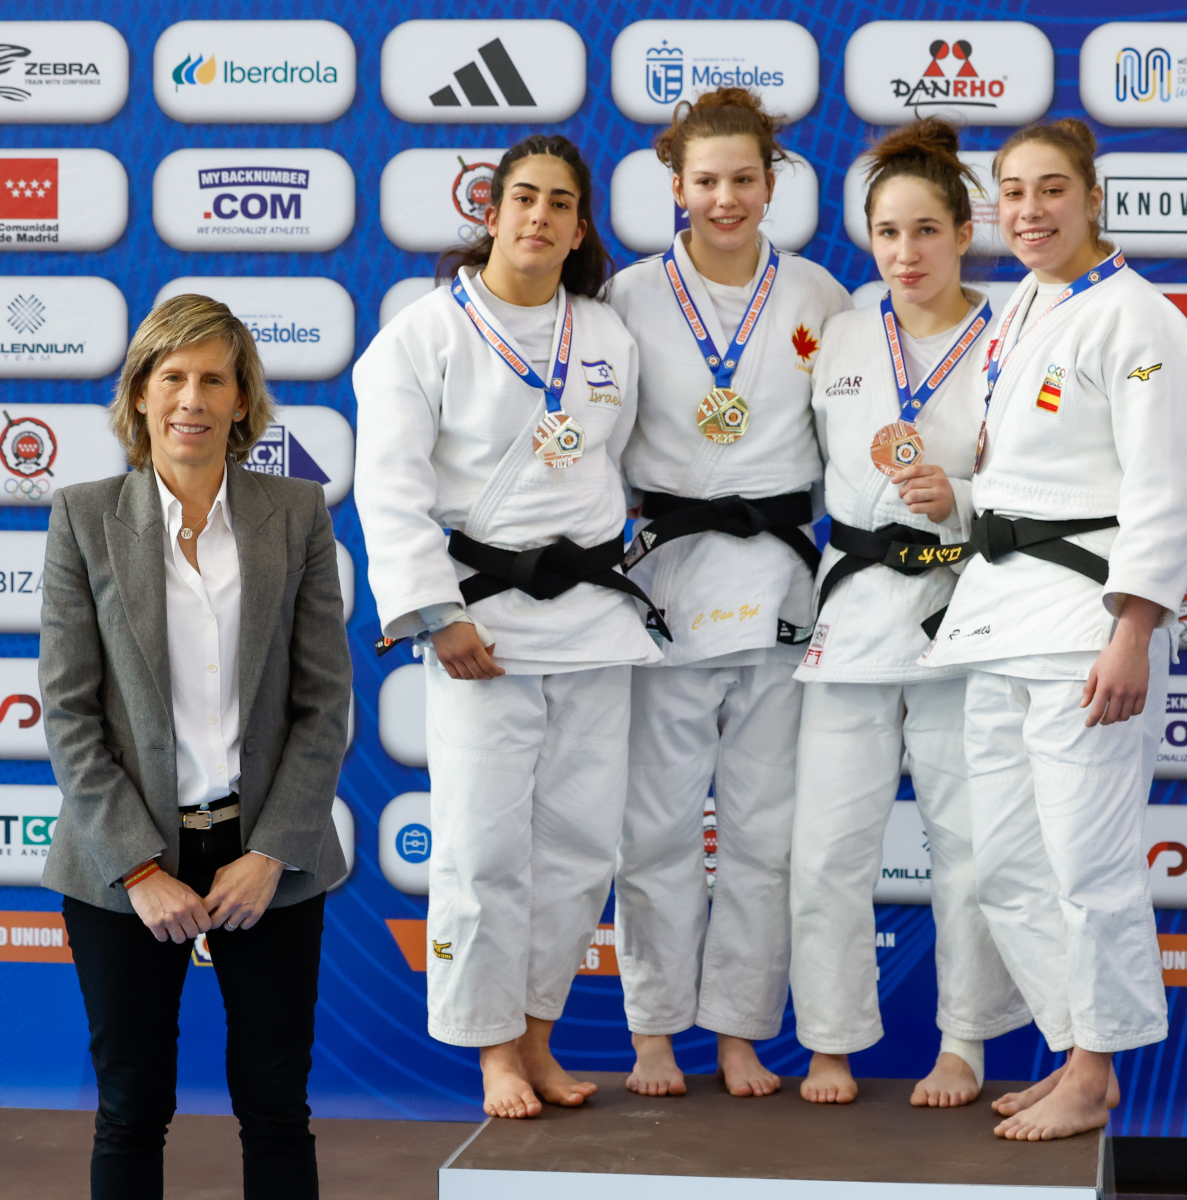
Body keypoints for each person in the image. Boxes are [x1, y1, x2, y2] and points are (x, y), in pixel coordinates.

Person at [353, 135, 659, 1120]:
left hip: (594, 623)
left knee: (579, 848)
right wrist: (436, 612)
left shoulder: (605, 335)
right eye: (523, 197)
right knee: (482, 848)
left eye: (559, 203)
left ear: (578, 229)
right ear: (490, 213)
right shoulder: (422, 334)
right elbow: (389, 490)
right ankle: (491, 1051)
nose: (539, 216)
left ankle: (536, 1036)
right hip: (481, 628)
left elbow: (615, 466)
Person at [924, 118, 1187, 1139]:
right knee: (1005, 863)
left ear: (1092, 197)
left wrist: (1132, 631)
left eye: (1050, 189)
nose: (1029, 210)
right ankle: (1076, 1047)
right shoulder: (1024, 305)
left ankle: (1094, 1070)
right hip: (1000, 610)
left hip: (1088, 623)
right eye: (1012, 191)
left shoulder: (1141, 320)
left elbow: (1166, 490)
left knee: (1089, 861)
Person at [39, 295, 352, 1200]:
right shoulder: (84, 516)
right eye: (171, 376)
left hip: (267, 855)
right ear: (140, 393)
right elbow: (69, 712)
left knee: (277, 1106)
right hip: (124, 861)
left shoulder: (296, 512)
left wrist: (271, 853)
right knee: (131, 1109)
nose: (192, 398)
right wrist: (140, 870)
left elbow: (323, 700)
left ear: (242, 398)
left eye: (214, 378)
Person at [604, 87, 851, 1099]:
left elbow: (850, 440)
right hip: (665, 588)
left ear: (771, 184)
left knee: (762, 833)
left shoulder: (818, 296)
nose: (725, 198)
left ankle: (741, 1032)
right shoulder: (627, 297)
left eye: (743, 179)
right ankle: (655, 1031)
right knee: (657, 830)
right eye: (705, 180)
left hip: (782, 584)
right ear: (676, 186)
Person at [787, 119, 1026, 1108]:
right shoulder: (841, 332)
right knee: (826, 848)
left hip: (962, 608)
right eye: (887, 233)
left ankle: (963, 1042)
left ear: (965, 232)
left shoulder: (1012, 334)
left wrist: (961, 499)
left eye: (926, 230)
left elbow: (1051, 477)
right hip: (851, 610)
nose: (905, 253)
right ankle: (830, 1041)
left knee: (966, 842)